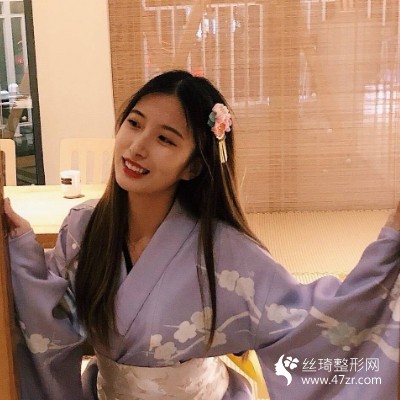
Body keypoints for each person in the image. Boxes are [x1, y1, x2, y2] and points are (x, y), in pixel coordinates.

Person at [5, 69, 400, 400]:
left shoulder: (223, 251)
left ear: (192, 166)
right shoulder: (83, 226)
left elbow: (309, 321)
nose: (137, 147)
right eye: (134, 123)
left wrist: (390, 248)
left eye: (165, 139)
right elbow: (54, 318)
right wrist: (21, 247)